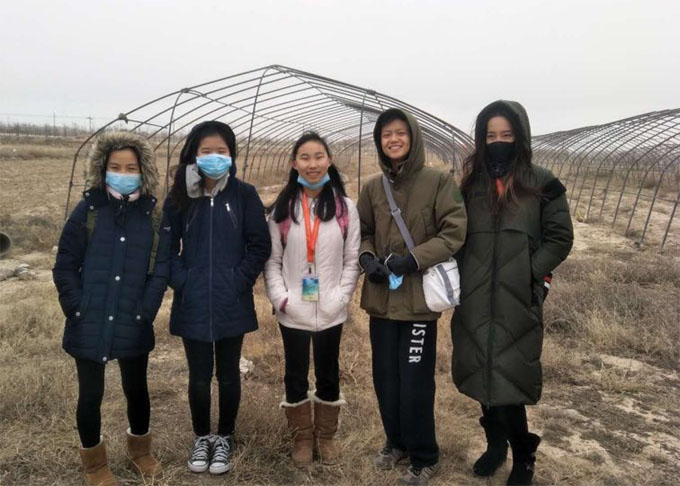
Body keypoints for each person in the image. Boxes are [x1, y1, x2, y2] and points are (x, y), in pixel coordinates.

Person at [451, 100, 574, 486]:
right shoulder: (471, 186)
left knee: (509, 382)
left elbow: (560, 237)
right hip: (474, 297)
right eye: (491, 136)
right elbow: (455, 235)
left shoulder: (543, 183)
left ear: (520, 136)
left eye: (506, 134)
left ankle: (524, 455)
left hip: (516, 299)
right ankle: (495, 445)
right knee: (482, 374)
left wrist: (529, 273)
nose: (498, 142)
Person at [356, 108, 467, 486]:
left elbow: (454, 233)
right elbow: (363, 230)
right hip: (382, 301)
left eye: (400, 132)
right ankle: (396, 442)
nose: (393, 139)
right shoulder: (373, 187)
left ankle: (425, 455)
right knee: (385, 377)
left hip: (418, 302)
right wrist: (367, 258)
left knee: (415, 381)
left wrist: (413, 259)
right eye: (386, 134)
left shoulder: (438, 182)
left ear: (413, 137)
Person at [53, 131, 168, 485]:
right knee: (91, 394)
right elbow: (65, 264)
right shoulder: (88, 211)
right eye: (115, 167)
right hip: (90, 317)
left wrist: (146, 310)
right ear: (102, 169)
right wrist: (76, 307)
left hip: (133, 316)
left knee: (137, 388)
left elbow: (160, 270)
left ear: (143, 171)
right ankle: (95, 465)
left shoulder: (152, 216)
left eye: (131, 168)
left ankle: (140, 451)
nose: (123, 173)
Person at [163, 120, 271, 475]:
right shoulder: (180, 197)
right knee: (198, 375)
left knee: (228, 374)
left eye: (221, 151)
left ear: (231, 155)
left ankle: (224, 437)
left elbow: (259, 245)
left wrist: (238, 281)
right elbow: (166, 248)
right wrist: (184, 281)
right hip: (192, 299)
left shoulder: (243, 194)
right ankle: (201, 437)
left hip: (230, 299)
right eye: (206, 151)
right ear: (194, 155)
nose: (214, 157)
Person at [264, 132, 360, 467]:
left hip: (331, 309)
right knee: (295, 375)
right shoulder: (282, 210)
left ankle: (326, 436)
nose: (313, 164)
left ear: (329, 161)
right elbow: (272, 261)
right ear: (294, 164)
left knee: (329, 374)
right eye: (305, 157)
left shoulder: (345, 208)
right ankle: (302, 438)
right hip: (293, 310)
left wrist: (341, 296)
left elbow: (352, 259)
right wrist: (281, 298)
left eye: (319, 156)